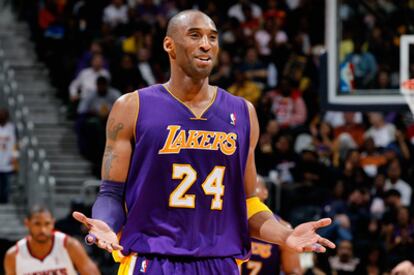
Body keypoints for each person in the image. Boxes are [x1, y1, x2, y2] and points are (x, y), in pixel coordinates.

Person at [72, 10, 335, 274]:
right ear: (169, 45)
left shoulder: (243, 112)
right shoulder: (132, 107)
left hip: (221, 262)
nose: (206, 44)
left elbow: (248, 202)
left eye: (212, 37)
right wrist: (105, 223)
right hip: (152, 260)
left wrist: (285, 235)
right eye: (194, 35)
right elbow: (111, 192)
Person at [3, 205, 100, 275]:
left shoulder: (69, 245)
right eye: (37, 224)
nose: (42, 230)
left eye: (47, 224)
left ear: (53, 223)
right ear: (27, 223)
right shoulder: (13, 255)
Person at [240, 176, 302, 275]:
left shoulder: (283, 227)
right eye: (242, 186)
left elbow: (293, 272)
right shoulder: (226, 223)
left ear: (265, 192)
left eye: (253, 186)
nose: (246, 190)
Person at [0, 108, 17, 204]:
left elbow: (14, 143)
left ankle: (5, 198)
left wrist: (14, 156)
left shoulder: (11, 128)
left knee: (6, 181)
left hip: (7, 158)